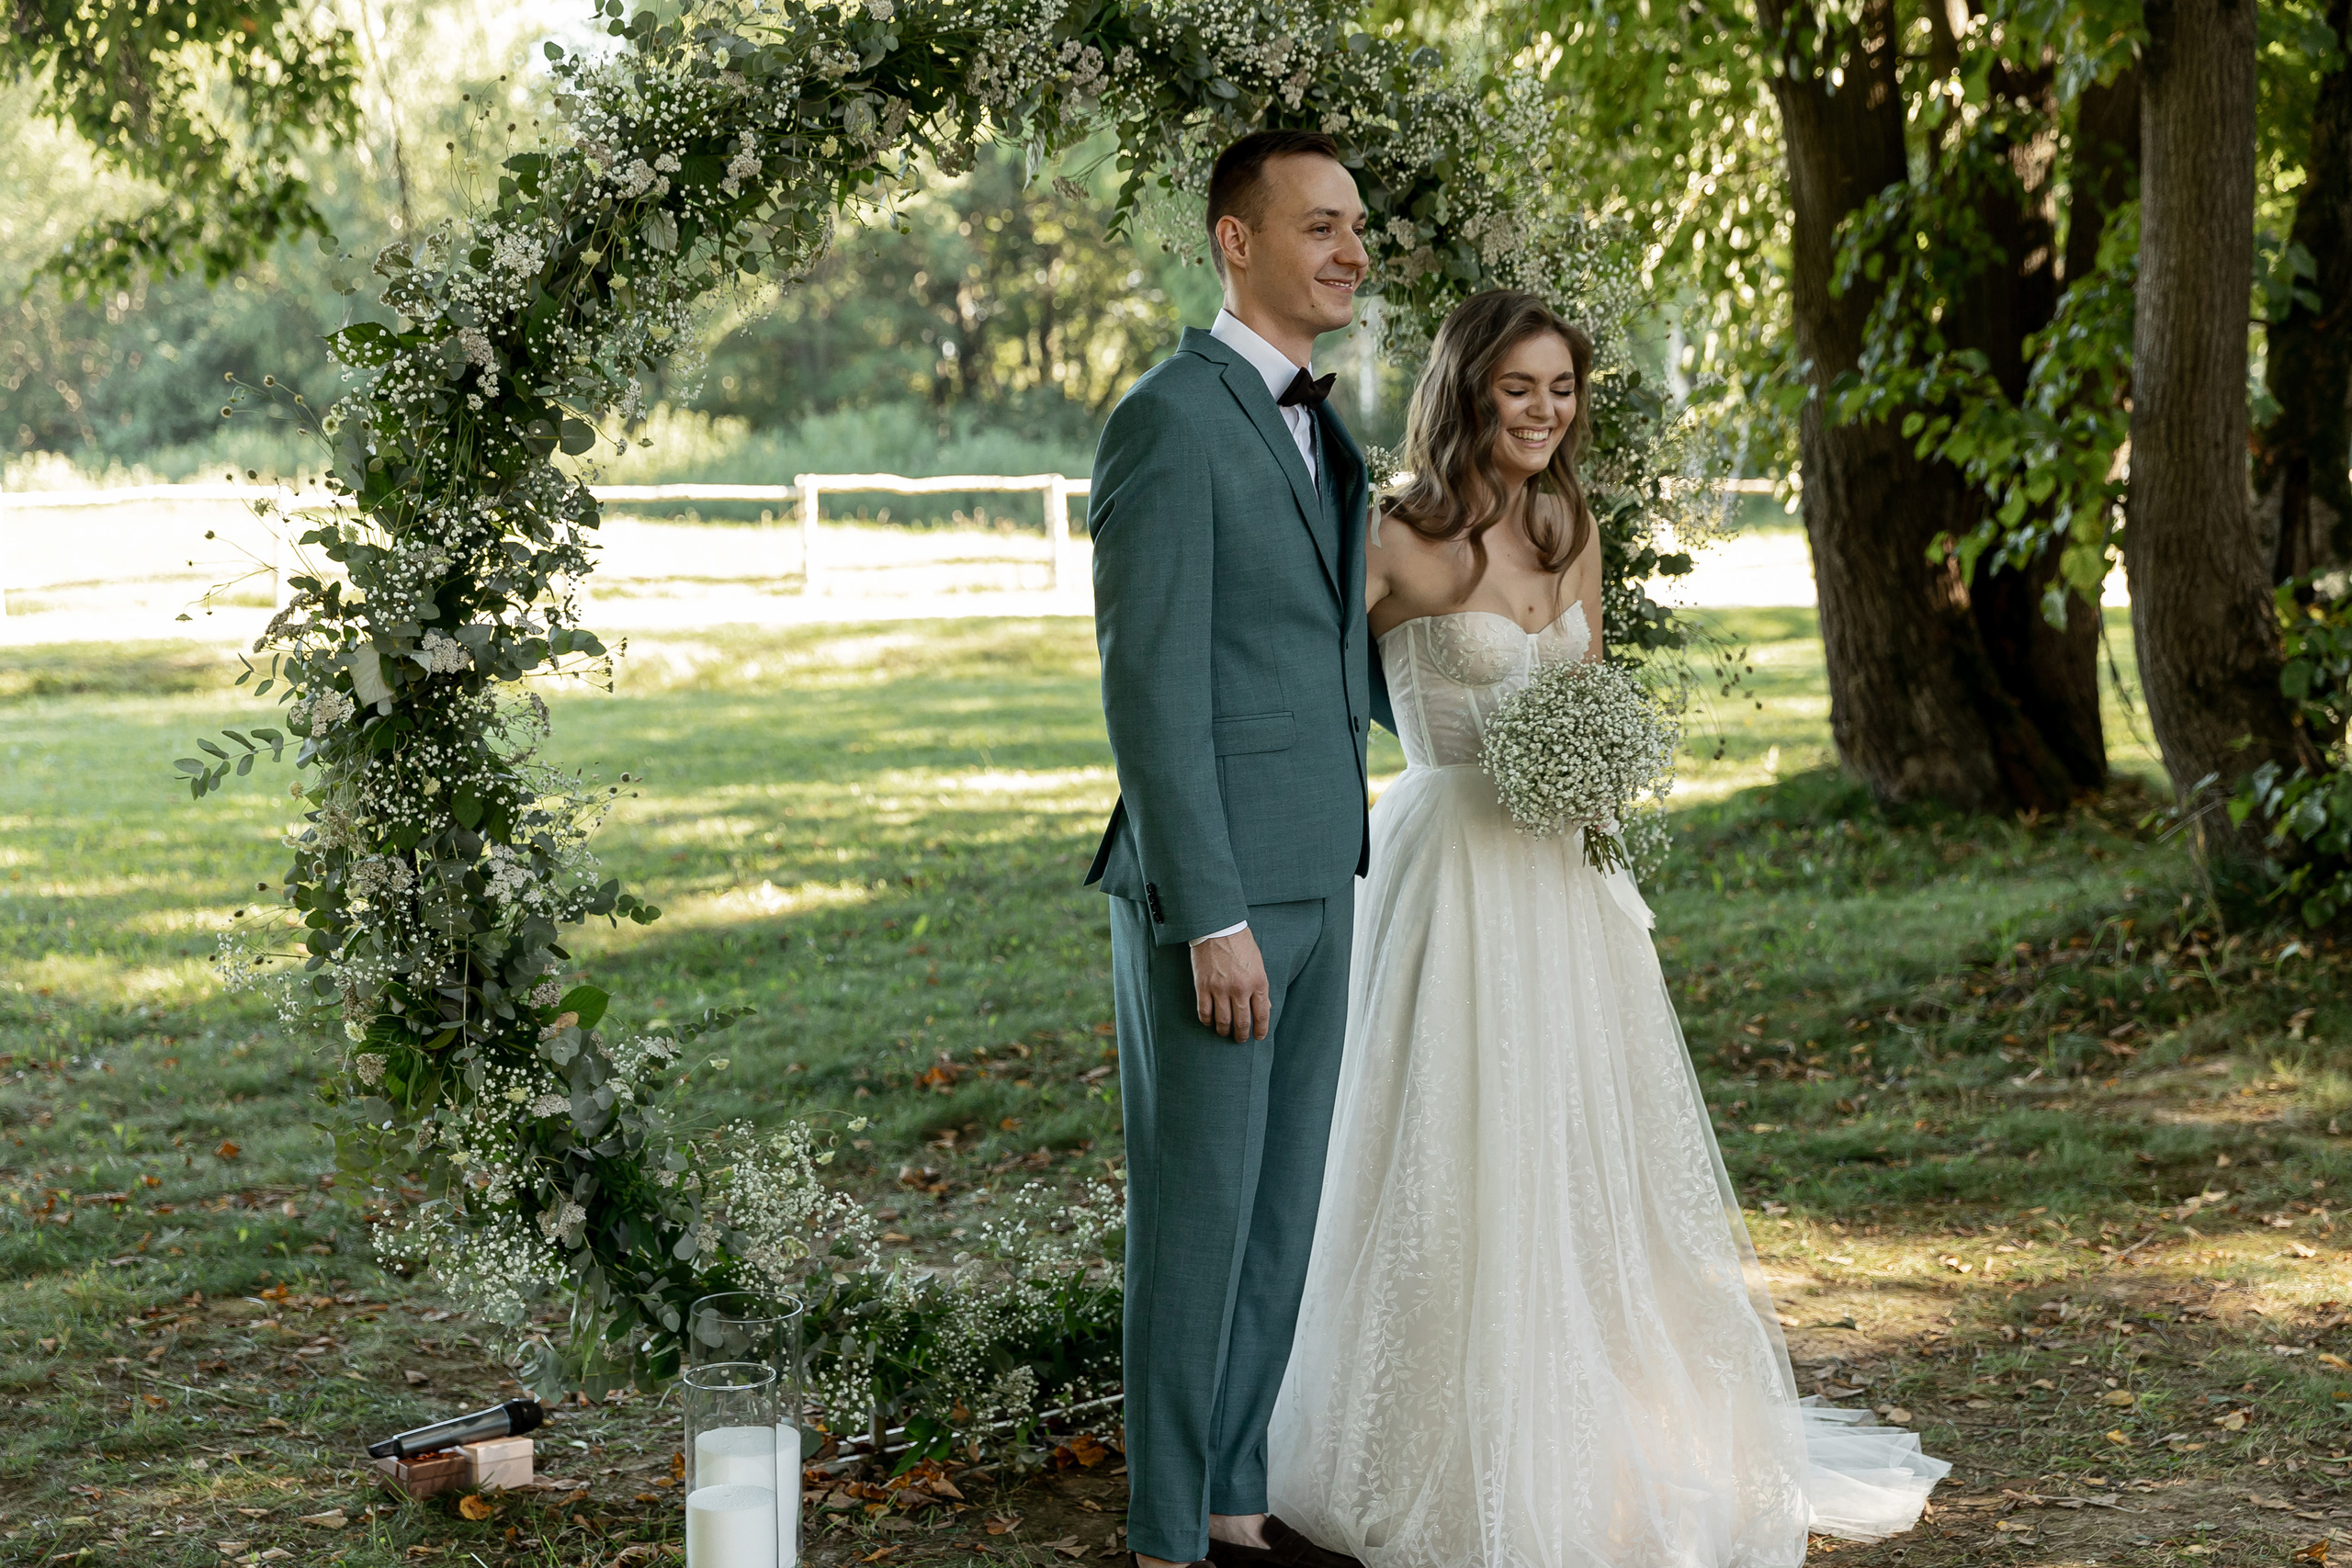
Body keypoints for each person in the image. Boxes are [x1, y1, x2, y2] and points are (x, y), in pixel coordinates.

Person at [1264, 289, 1949, 1568]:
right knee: (1448, 1136)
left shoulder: (1568, 527)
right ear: (1468, 389)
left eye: (1563, 389)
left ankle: (1584, 1423)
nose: (1544, 412)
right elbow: (1301, 688)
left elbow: (1580, 696)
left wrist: (1596, 780)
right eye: (1519, 387)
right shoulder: (1390, 538)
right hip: (1448, 864)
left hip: (1562, 874)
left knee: (1573, 1136)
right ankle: (1430, 1437)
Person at [1084, 129, 1376, 1568]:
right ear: (1235, 241)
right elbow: (1149, 688)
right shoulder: (1168, 419)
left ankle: (1233, 1510)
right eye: (1320, 226)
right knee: (1197, 1223)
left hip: (1324, 868)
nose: (1350, 252)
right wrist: (1208, 915)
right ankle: (1163, 1542)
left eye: (1358, 229)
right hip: (1219, 897)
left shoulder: (1325, 423)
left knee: (1278, 1221)